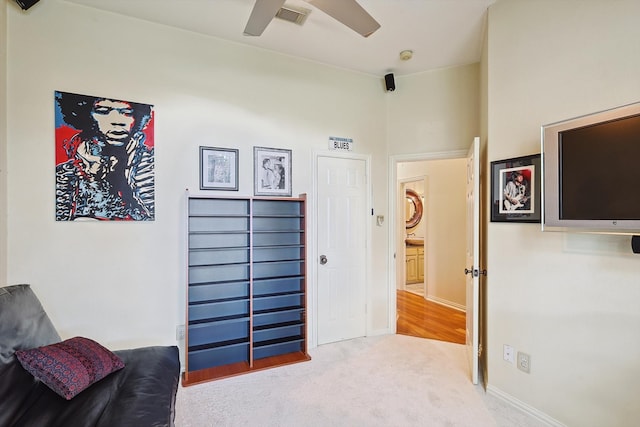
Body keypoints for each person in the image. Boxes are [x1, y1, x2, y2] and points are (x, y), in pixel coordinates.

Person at [55, 91, 154, 220]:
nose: (117, 121)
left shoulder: (148, 166)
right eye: (103, 111)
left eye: (127, 113)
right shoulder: (66, 174)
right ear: (85, 115)